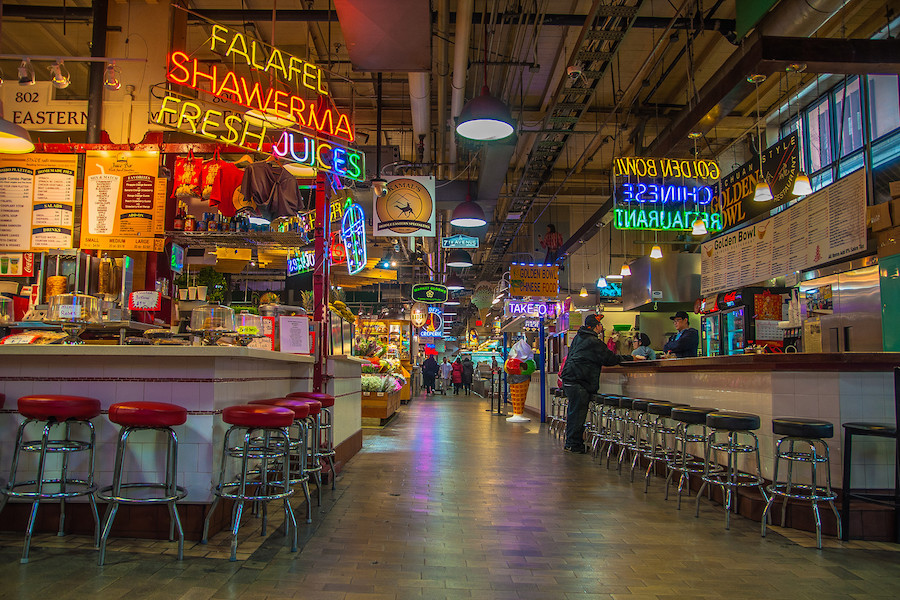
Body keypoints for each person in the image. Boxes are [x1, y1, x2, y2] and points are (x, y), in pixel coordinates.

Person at [560, 314, 632, 453]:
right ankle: (574, 444)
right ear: (597, 326)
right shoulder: (593, 341)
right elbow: (609, 358)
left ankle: (572, 443)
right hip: (579, 381)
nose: (602, 327)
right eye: (601, 325)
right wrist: (630, 358)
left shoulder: (579, 337)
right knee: (577, 414)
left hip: (570, 379)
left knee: (574, 413)